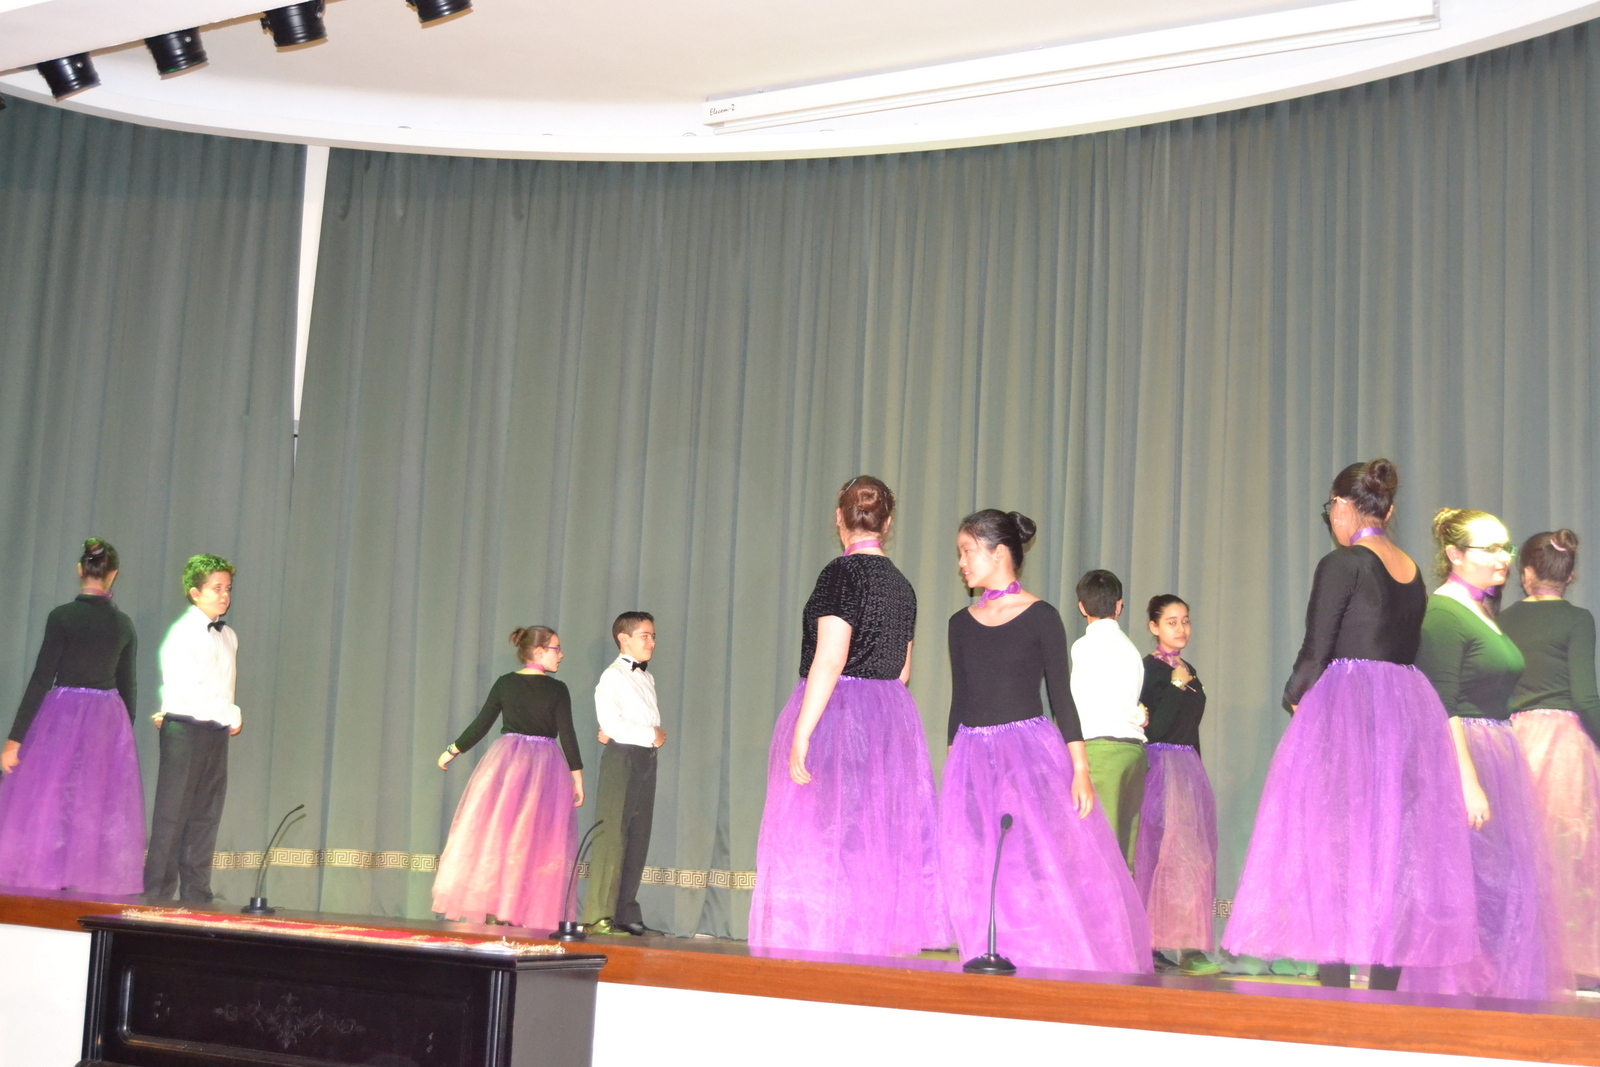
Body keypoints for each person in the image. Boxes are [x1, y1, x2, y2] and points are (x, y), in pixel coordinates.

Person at [1223, 460, 1475, 992]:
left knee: (1333, 845)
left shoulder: (1342, 563)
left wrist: (1294, 696)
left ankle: (1336, 987)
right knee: (1395, 849)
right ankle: (1384, 987)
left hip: (1349, 708)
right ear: (1388, 508)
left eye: (1330, 508)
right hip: (1406, 710)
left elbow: (1316, 649)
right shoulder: (1410, 568)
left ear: (1342, 506)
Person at [941, 511, 1151, 973]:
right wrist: (954, 764)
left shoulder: (1041, 616)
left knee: (1031, 857)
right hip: (973, 755)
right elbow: (960, 702)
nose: (961, 562)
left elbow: (1062, 699)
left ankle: (1038, 956)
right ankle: (989, 948)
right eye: (960, 553)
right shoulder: (959, 623)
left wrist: (1079, 769)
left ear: (999, 553)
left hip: (1026, 754)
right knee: (983, 859)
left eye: (968, 551)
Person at [749, 476, 945, 956]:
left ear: (839, 517)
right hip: (888, 718)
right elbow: (902, 671)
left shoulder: (840, 574)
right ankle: (866, 946)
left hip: (839, 715)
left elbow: (831, 659)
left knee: (824, 836)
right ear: (887, 523)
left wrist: (803, 732)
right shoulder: (902, 585)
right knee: (870, 836)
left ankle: (826, 949)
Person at [1403, 510, 1570, 1000]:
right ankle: (1455, 1002)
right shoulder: (1443, 613)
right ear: (1454, 555)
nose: (1503, 558)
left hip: (1495, 751)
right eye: (1490, 548)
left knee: (1502, 887)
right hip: (1466, 755)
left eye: (1506, 548)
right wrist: (1467, 781)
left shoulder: (1480, 609)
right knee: (1472, 883)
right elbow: (1442, 704)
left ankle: (1493, 999)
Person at [0, 538, 143, 894]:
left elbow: (40, 678)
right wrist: (122, 736)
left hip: (61, 717)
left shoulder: (61, 616)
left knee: (53, 800)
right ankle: (84, 883)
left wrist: (15, 740)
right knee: (93, 805)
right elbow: (128, 687)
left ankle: (49, 881)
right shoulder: (123, 624)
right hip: (107, 721)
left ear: (80, 570)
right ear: (113, 574)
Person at [1500, 530, 1600, 987]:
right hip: (1564, 747)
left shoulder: (1503, 619)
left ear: (1526, 574)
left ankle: (1522, 956)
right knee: (1572, 855)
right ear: (1570, 575)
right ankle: (1576, 961)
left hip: (1515, 741)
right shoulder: (1578, 620)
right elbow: (1586, 696)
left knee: (1519, 853)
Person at [433, 625, 583, 930]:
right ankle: (509, 909)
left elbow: (481, 724)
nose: (561, 654)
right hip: (543, 767)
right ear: (539, 651)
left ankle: (507, 909)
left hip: (509, 764)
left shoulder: (511, 683)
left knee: (503, 836)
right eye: (556, 648)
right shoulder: (555, 689)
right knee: (531, 840)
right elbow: (566, 736)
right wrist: (576, 778)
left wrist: (452, 750)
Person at [144, 554, 242, 903]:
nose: (224, 595)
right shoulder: (184, 632)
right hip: (185, 730)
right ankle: (156, 897)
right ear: (195, 592)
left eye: (227, 588)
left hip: (215, 730)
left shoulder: (228, 636)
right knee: (173, 815)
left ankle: (197, 894)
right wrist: (232, 714)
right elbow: (187, 688)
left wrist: (226, 716)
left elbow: (223, 687)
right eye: (216, 588)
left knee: (206, 814)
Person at [1135, 595, 1220, 977]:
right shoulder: (1149, 671)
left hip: (1187, 769)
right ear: (1154, 627)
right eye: (1171, 622)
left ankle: (1191, 946)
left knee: (1193, 860)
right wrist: (1173, 685)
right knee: (1155, 857)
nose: (1181, 628)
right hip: (1158, 767)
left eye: (1185, 620)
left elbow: (1189, 726)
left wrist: (1195, 773)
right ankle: (1148, 945)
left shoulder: (1189, 670)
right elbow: (1153, 728)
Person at [582, 611, 665, 937]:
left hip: (645, 758)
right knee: (613, 836)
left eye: (653, 636)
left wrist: (651, 739)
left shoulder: (646, 677)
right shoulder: (613, 676)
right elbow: (611, 724)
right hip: (622, 759)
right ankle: (597, 916)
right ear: (624, 638)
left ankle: (624, 912)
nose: (652, 642)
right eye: (645, 636)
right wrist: (651, 735)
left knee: (637, 836)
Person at [1070, 569, 1148, 872]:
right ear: (1119, 605)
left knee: (1094, 851)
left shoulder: (1082, 647)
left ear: (1082, 607)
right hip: (1132, 751)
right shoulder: (1131, 649)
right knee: (1123, 850)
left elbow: (1078, 702)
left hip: (1100, 749)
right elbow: (1131, 703)